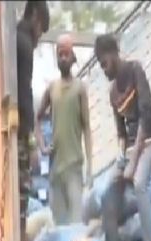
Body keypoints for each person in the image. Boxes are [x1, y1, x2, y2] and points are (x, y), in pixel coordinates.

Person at [94, 33, 151, 241]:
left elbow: (147, 117)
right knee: (105, 194)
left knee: (140, 183)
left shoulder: (135, 71)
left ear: (114, 53)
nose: (103, 69)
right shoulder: (113, 93)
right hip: (129, 149)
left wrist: (133, 163)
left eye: (104, 63)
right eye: (100, 65)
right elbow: (121, 133)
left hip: (149, 141)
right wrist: (121, 160)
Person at [36, 33, 93, 225]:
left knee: (76, 223)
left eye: (66, 54)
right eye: (59, 54)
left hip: (74, 167)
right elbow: (37, 118)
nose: (63, 58)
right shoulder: (52, 88)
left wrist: (90, 168)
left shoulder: (80, 88)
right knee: (60, 225)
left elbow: (87, 128)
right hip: (55, 171)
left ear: (73, 57)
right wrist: (43, 147)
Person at [16, 0, 50, 241]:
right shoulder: (24, 44)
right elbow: (25, 95)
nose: (39, 39)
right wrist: (29, 139)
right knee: (21, 192)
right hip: (17, 132)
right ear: (36, 18)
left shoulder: (11, 39)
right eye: (42, 30)